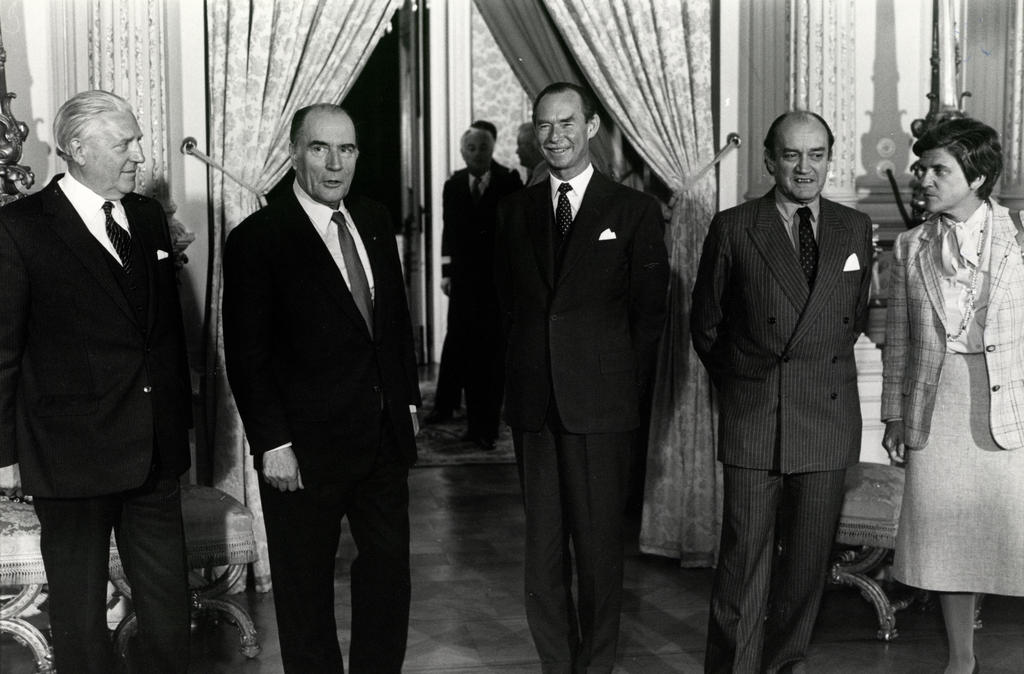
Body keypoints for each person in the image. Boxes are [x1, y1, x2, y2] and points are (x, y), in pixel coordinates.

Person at [222, 103, 421, 673]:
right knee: (304, 592)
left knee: (388, 577)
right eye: (320, 148)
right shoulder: (258, 238)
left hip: (382, 439)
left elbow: (394, 324)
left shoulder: (374, 217)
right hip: (302, 452)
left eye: (348, 149)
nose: (335, 164)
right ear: (294, 153)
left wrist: (406, 401)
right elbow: (247, 354)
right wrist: (272, 444)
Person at [0, 89, 192, 673]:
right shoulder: (19, 228)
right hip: (70, 458)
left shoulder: (149, 215)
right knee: (81, 623)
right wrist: (4, 454)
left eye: (136, 139)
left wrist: (179, 424)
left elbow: (164, 335)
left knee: (168, 613)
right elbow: (1, 350)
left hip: (153, 453)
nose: (139, 154)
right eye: (124, 142)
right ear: (77, 149)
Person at [691, 110, 874, 673]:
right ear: (769, 161)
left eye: (816, 154)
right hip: (756, 417)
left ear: (829, 159)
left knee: (805, 568)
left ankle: (785, 666)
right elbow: (706, 325)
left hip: (827, 416)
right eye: (792, 155)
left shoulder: (853, 228)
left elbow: (854, 314)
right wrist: (750, 384)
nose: (804, 167)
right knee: (743, 563)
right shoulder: (735, 226)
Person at [495, 82, 669, 673]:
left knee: (598, 553)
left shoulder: (633, 211)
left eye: (567, 123)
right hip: (536, 409)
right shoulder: (514, 211)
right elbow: (506, 309)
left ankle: (595, 667)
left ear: (591, 127)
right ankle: (556, 665)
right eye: (544, 125)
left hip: (601, 409)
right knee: (541, 556)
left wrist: (624, 392)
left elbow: (650, 318)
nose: (555, 136)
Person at [881, 118, 1024, 674]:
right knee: (947, 540)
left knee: (1012, 531)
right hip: (936, 406)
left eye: (939, 169)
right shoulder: (911, 245)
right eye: (922, 167)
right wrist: (894, 414)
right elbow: (898, 340)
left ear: (979, 177)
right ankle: (960, 661)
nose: (924, 179)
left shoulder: (1021, 237)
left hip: (1009, 405)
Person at [433, 121, 523, 447]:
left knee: (493, 358)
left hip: (497, 286)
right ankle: (474, 427)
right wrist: (446, 271)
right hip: (464, 287)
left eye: (483, 148)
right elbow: (448, 231)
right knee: (467, 355)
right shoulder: (454, 184)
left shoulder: (509, 182)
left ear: (492, 148)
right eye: (470, 148)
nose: (477, 153)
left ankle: (488, 429)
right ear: (461, 151)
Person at [516, 120, 549, 186]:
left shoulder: (546, 178)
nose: (517, 151)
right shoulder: (536, 174)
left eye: (520, 145)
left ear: (535, 146)